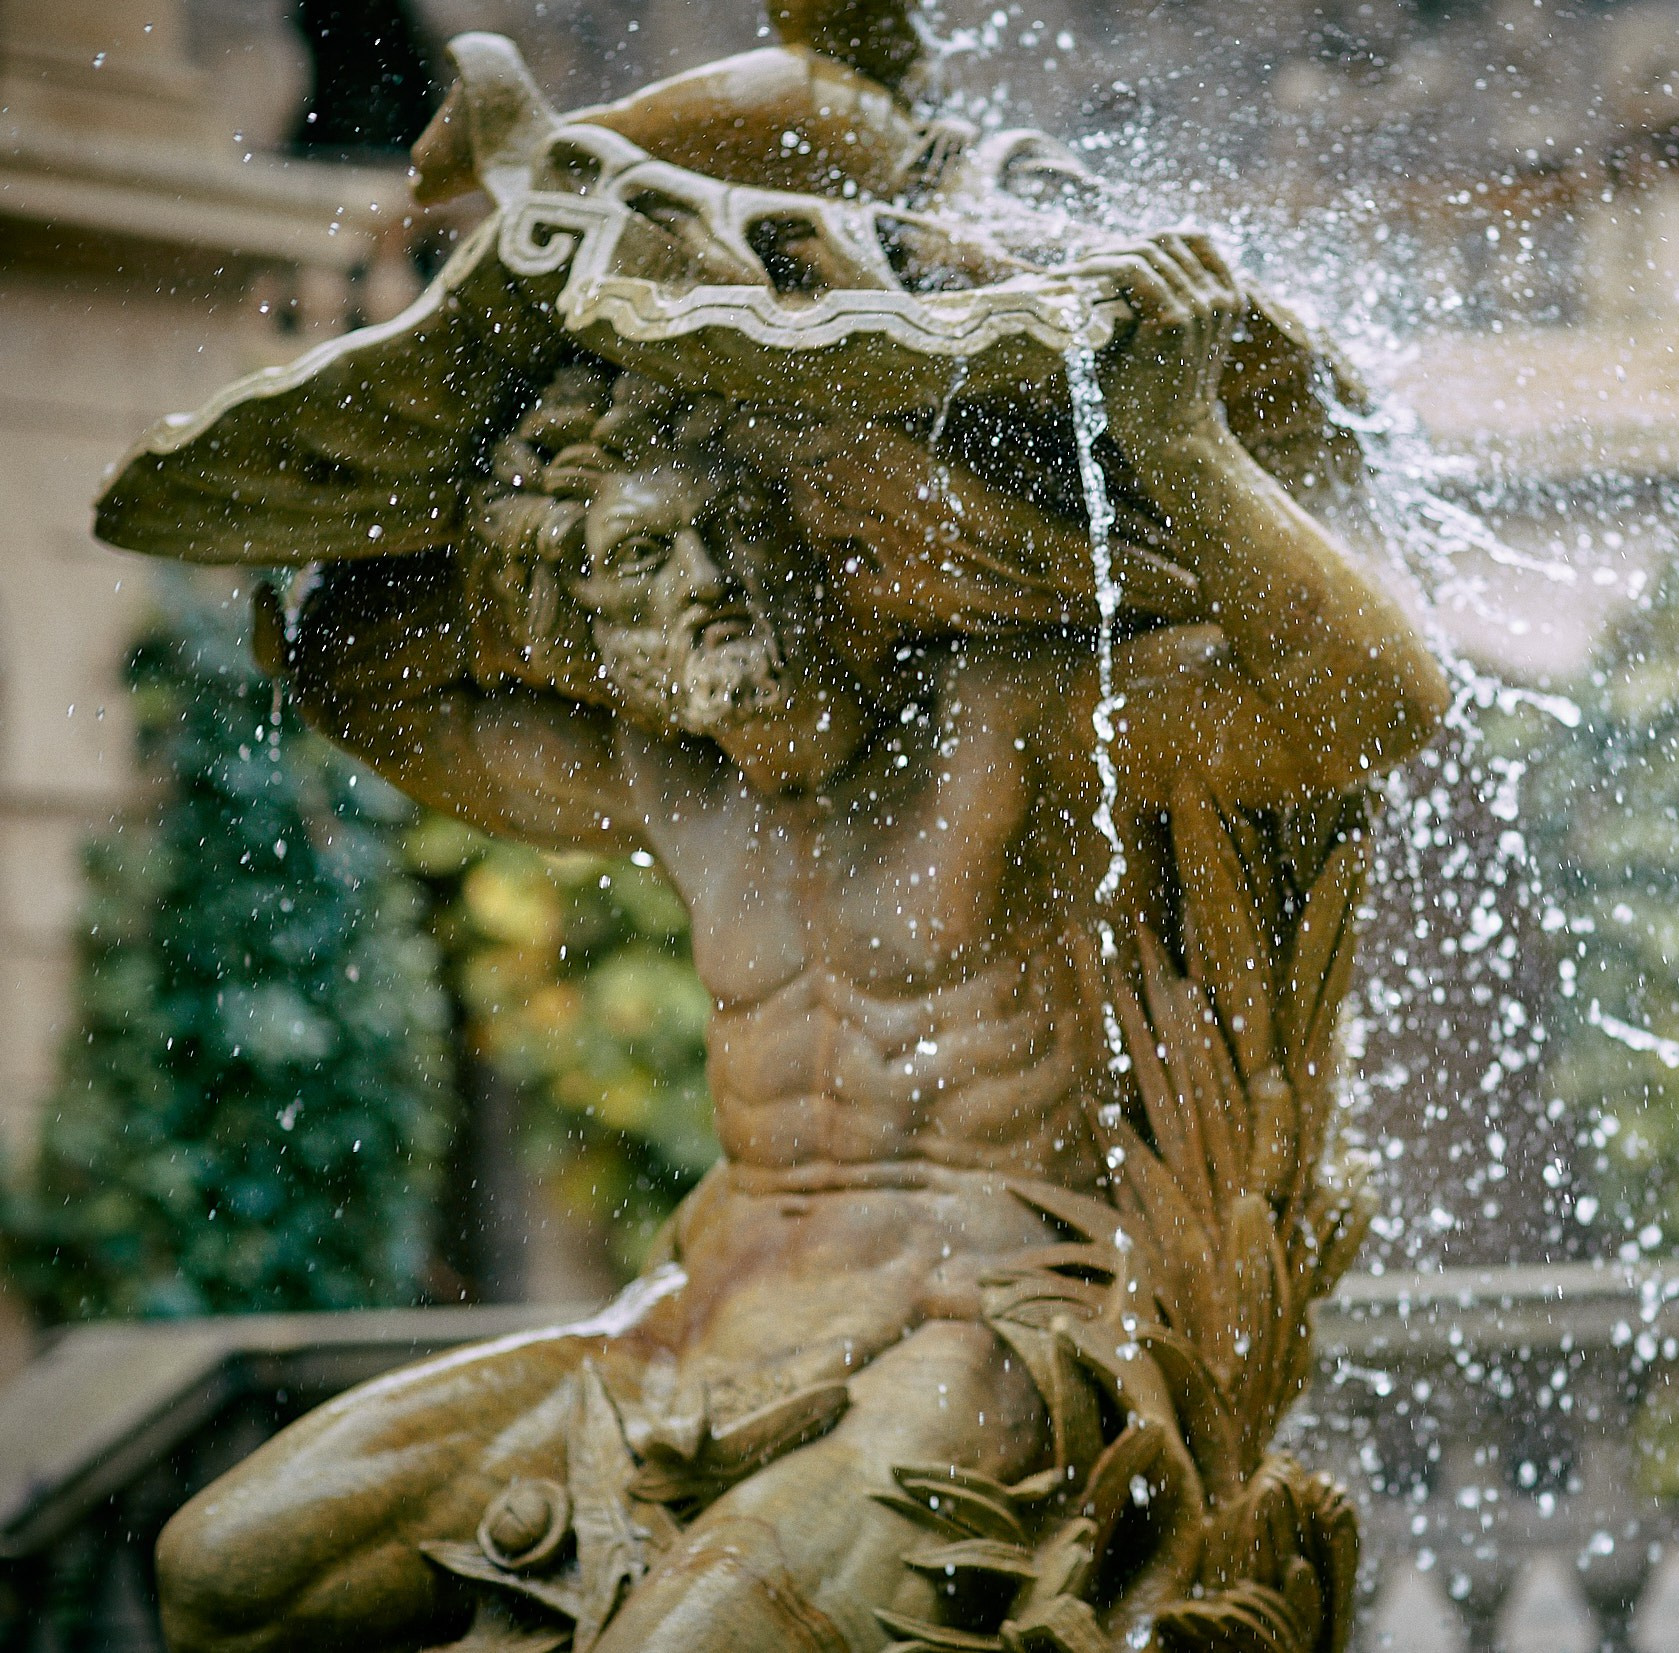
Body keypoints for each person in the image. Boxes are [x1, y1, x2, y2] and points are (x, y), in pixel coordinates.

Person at [146, 236, 1447, 1653]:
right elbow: (360, 678)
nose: (703, 583)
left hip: (975, 1345)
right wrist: (485, 415)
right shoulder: (663, 777)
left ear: (821, 537)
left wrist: (1177, 437)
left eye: (732, 531)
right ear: (587, 613)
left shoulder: (1006, 722)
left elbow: (1370, 706)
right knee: (228, 1568)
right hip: (694, 1334)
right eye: (643, 558)